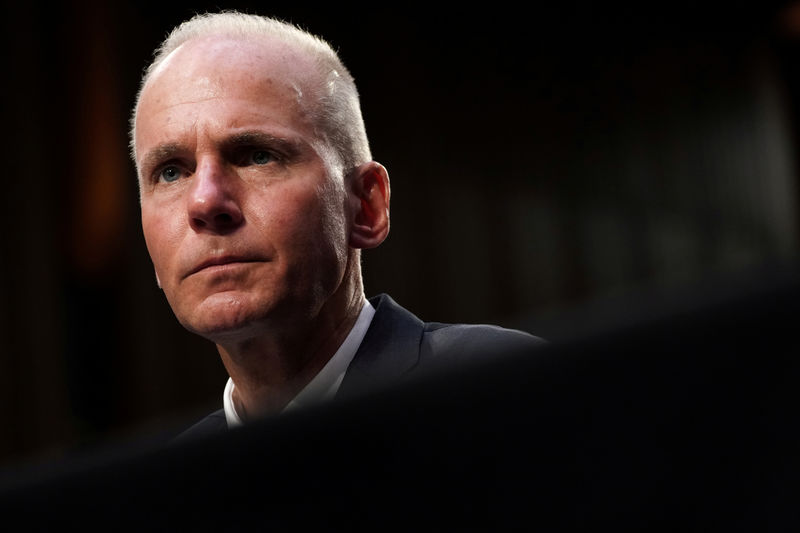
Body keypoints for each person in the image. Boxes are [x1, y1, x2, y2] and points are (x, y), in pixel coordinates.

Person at [130, 12, 543, 439]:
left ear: (367, 206)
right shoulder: (165, 491)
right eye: (171, 172)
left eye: (257, 156)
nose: (205, 201)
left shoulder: (504, 386)